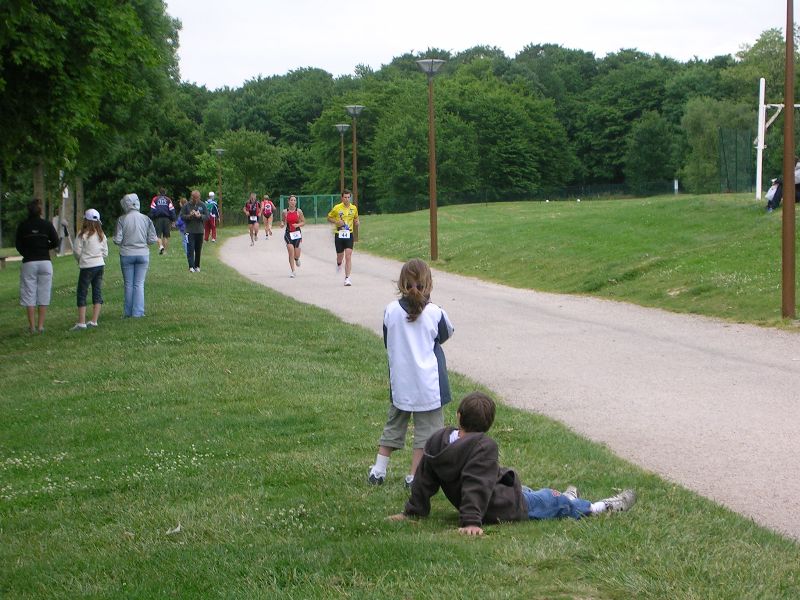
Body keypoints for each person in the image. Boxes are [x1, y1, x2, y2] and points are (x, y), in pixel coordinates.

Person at [389, 392, 637, 536]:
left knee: (530, 491)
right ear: (488, 425)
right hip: (502, 506)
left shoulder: (438, 440)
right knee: (552, 502)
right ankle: (599, 507)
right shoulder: (484, 446)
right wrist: (472, 522)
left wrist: (413, 510)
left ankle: (566, 496)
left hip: (502, 491)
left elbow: (424, 479)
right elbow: (476, 483)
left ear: (459, 416)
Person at [368, 258, 454, 488]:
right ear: (429, 284)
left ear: (402, 284)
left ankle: (378, 470)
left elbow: (389, 341)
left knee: (394, 425)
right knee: (426, 434)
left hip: (401, 383)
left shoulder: (390, 311)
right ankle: (414, 476)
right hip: (430, 386)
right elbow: (445, 334)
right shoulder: (436, 313)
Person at [15, 198, 60, 334]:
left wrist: (27, 252)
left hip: (29, 262)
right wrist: (45, 247)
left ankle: (32, 326)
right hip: (45, 261)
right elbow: (56, 241)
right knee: (43, 293)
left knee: (29, 293)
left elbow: (18, 245)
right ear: (40, 211)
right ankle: (41, 326)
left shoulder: (23, 226)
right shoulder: (46, 225)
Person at [114, 193, 158, 317]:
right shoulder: (146, 219)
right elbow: (152, 239)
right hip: (143, 253)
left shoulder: (122, 219)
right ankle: (138, 312)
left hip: (126, 254)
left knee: (128, 284)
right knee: (139, 284)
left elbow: (117, 240)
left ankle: (127, 312)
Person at [71, 209, 108, 331]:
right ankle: (94, 320)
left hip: (87, 266)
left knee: (82, 292)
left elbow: (76, 251)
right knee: (97, 291)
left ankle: (81, 322)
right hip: (99, 265)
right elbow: (105, 252)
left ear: (85, 220)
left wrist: (80, 259)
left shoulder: (82, 234)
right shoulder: (101, 235)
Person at [327, 189, 359, 286]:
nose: (347, 199)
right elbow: (329, 218)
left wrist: (357, 222)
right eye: (345, 197)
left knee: (348, 256)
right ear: (342, 198)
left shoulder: (354, 208)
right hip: (339, 234)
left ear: (350, 198)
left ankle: (347, 278)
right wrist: (336, 222)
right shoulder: (337, 208)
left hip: (349, 234)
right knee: (340, 257)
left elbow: (356, 217)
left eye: (348, 197)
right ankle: (339, 264)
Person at [181, 190, 208, 272]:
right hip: (189, 230)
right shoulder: (186, 205)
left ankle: (197, 266)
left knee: (198, 249)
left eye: (198, 198)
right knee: (190, 249)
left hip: (199, 231)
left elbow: (207, 216)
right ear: (191, 197)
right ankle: (191, 266)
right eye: (194, 198)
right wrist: (190, 215)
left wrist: (200, 216)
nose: (196, 200)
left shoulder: (202, 205)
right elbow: (182, 217)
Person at [281, 194, 305, 278]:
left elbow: (303, 222)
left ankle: (297, 259)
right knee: (291, 251)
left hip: (297, 234)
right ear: (288, 201)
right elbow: (283, 221)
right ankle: (293, 271)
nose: (293, 202)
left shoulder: (299, 211)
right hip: (288, 233)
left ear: (296, 202)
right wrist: (282, 224)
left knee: (296, 254)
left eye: (294, 200)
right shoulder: (284, 211)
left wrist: (297, 225)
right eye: (291, 200)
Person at [149, 187, 176, 255]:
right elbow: (172, 210)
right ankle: (165, 252)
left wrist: (151, 218)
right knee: (166, 236)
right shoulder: (168, 200)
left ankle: (161, 247)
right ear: (165, 193)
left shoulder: (155, 199)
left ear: (158, 193)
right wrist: (173, 220)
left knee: (158, 235)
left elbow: (152, 209)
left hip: (158, 219)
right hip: (167, 219)